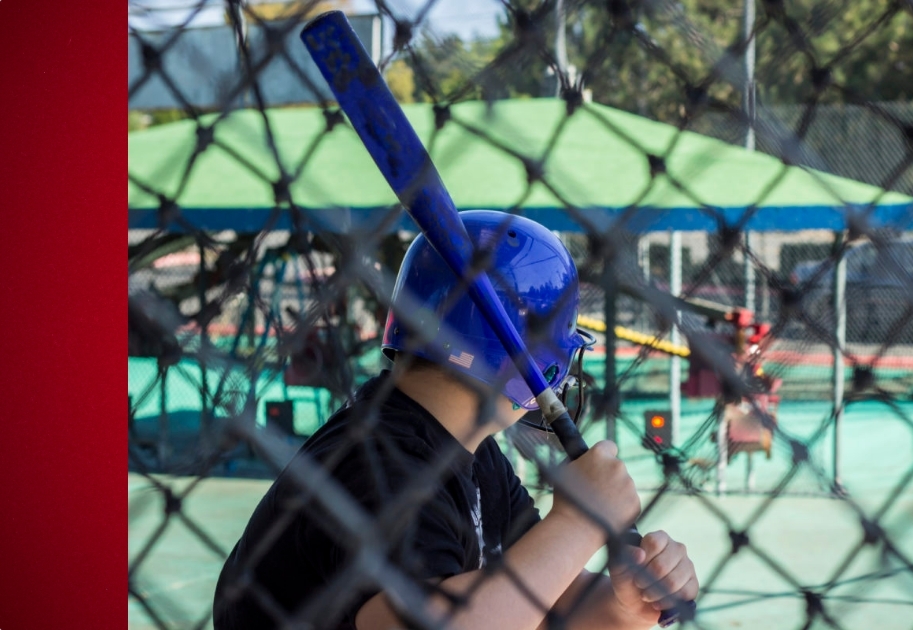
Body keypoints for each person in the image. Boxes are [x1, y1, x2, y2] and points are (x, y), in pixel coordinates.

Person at [213, 211, 698, 630]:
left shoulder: (471, 453)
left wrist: (626, 603)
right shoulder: (380, 462)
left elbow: (546, 604)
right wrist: (575, 524)